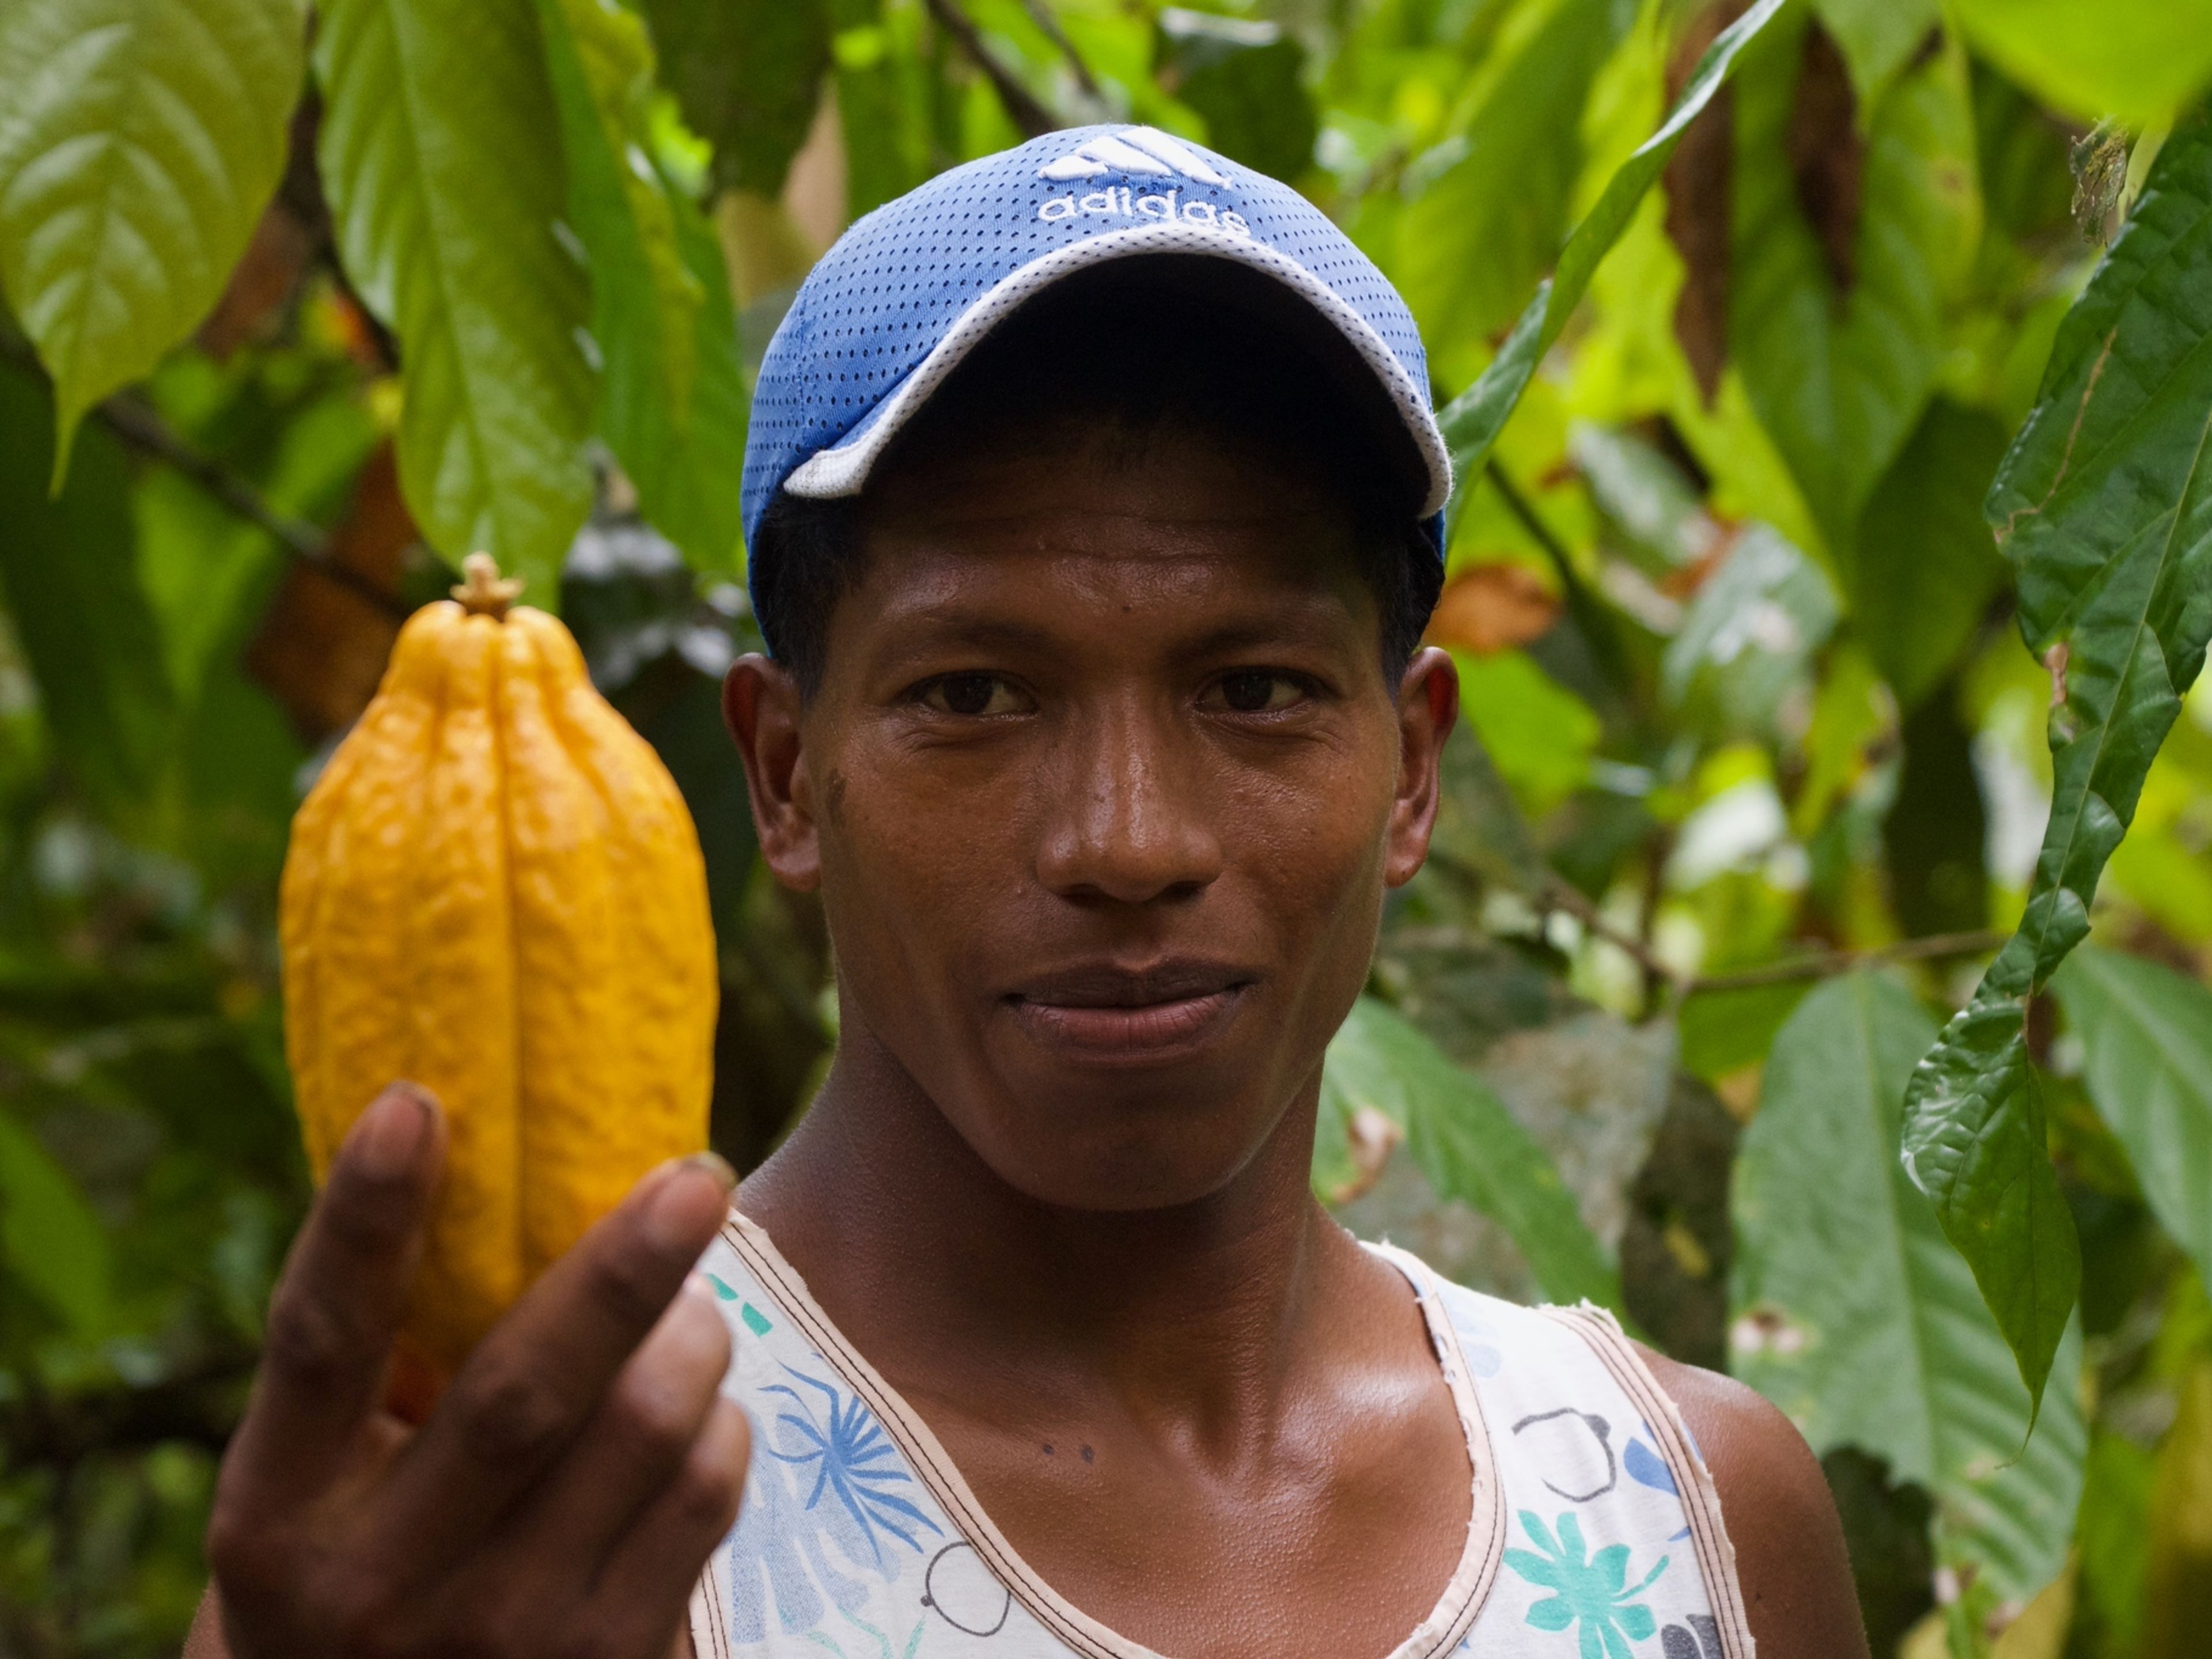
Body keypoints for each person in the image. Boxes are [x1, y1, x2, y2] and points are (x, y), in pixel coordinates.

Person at [187, 126, 1867, 1659]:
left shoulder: (1684, 1517)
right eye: (976, 695)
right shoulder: (553, 1530)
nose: (1126, 841)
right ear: (785, 774)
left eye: (1256, 687)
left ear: (1412, 766)